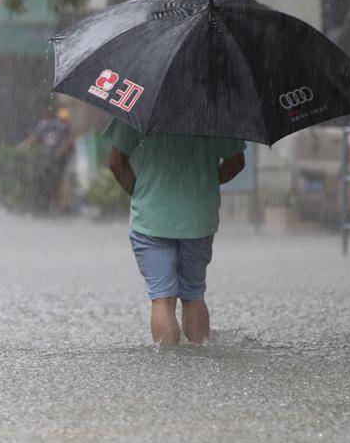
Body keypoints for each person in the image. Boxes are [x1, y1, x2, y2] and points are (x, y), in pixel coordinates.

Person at [105, 118, 245, 345]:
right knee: (193, 295)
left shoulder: (139, 105)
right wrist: (205, 185)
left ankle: (169, 369)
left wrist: (141, 193)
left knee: (162, 298)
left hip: (151, 218)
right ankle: (200, 357)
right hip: (198, 218)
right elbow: (236, 162)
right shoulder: (213, 108)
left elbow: (115, 162)